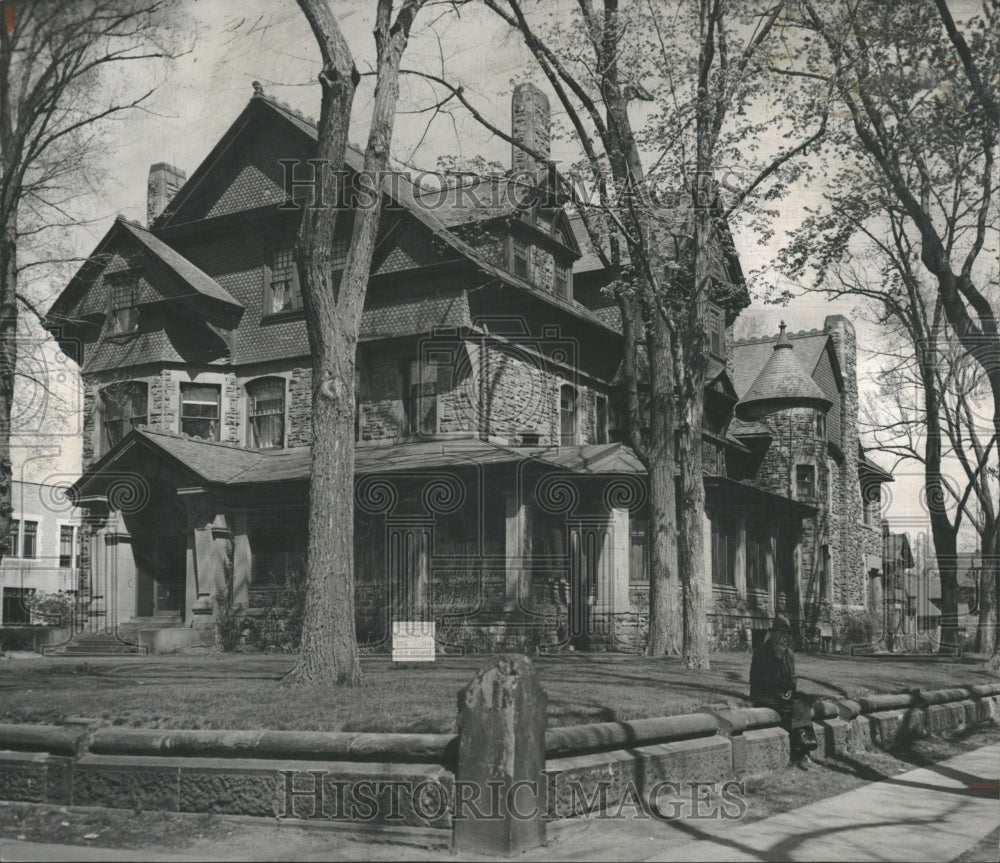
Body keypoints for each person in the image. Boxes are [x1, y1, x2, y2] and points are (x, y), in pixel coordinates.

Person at [749, 614, 816, 769]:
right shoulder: (761, 653)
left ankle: (804, 741)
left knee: (804, 700)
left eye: (785, 634)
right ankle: (802, 751)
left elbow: (793, 678)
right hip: (764, 695)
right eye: (780, 634)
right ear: (772, 634)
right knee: (790, 709)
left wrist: (789, 691)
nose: (783, 638)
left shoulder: (789, 654)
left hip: (783, 696)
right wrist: (776, 660)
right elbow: (760, 680)